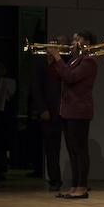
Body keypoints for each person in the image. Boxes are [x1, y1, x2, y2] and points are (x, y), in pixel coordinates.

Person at [48, 29, 98, 199]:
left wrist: (57, 57)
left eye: (77, 40)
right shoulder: (75, 60)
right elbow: (58, 76)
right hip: (68, 110)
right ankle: (75, 186)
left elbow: (70, 77)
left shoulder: (88, 61)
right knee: (72, 150)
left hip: (79, 110)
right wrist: (52, 60)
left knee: (80, 150)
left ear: (87, 43)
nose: (72, 43)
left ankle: (82, 187)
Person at [29, 33, 69, 191]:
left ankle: (79, 182)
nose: (63, 47)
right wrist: (42, 109)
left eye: (64, 45)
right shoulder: (40, 62)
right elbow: (35, 88)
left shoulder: (67, 60)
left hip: (66, 109)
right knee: (52, 149)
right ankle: (55, 180)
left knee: (73, 146)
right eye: (60, 44)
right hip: (49, 111)